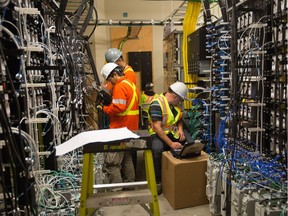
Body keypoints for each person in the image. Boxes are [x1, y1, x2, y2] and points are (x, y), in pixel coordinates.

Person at [99, 62, 140, 188]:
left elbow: (118, 107)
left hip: (120, 128)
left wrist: (104, 109)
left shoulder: (120, 86)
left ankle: (117, 190)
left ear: (115, 74)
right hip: (131, 127)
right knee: (127, 157)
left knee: (112, 162)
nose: (110, 83)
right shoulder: (131, 84)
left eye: (110, 79)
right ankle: (129, 184)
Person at [148, 81, 188, 194]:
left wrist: (180, 129)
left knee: (188, 143)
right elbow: (157, 127)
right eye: (180, 99)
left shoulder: (175, 105)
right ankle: (158, 181)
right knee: (157, 149)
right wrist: (171, 144)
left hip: (171, 133)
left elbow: (179, 118)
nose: (180, 102)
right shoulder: (157, 104)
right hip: (157, 134)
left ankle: (181, 175)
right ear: (175, 96)